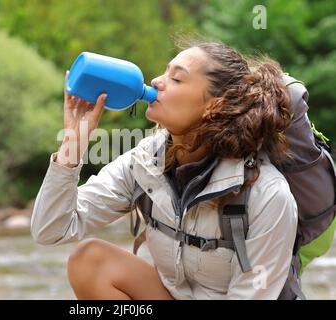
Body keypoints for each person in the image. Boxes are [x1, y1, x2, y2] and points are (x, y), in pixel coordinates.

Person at [30, 40, 298, 300]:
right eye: (165, 72)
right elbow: (52, 230)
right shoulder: (145, 161)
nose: (157, 81)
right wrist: (72, 143)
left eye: (177, 79)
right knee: (90, 261)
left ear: (216, 105)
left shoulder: (267, 194)